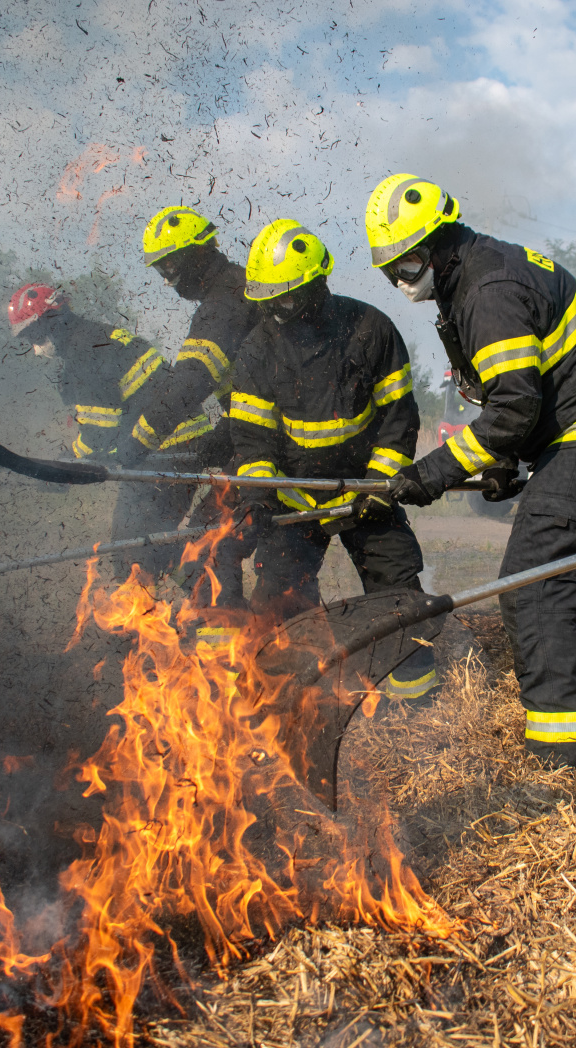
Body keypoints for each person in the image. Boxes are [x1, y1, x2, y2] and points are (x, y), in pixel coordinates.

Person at [367, 175, 576, 774]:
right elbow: (518, 401)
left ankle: (559, 760)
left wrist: (435, 471)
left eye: (406, 265)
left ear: (439, 242)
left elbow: (515, 407)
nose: (402, 282)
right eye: (390, 273)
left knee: (533, 584)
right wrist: (503, 464)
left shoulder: (487, 289)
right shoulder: (479, 276)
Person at [227, 218, 437, 702]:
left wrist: (379, 488)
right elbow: (253, 441)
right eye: (265, 302)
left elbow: (397, 421)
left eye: (282, 300)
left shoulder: (370, 330)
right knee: (280, 602)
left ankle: (416, 701)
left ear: (316, 286)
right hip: (296, 498)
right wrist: (259, 500)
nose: (274, 314)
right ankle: (294, 698)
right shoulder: (258, 350)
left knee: (397, 593)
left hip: (366, 491)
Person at [6, 283, 189, 582]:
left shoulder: (82, 353)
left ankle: (208, 592)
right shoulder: (97, 335)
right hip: (169, 446)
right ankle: (204, 587)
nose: (36, 349)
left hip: (164, 451)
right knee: (143, 545)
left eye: (35, 337)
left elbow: (99, 432)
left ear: (53, 321)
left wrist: (66, 463)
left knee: (131, 547)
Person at [132, 206, 262, 611]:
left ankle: (218, 644)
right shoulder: (239, 286)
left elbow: (189, 382)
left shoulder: (224, 303)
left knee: (209, 543)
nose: (168, 278)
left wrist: (138, 442)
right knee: (284, 566)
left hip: (271, 443)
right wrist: (202, 448)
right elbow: (248, 403)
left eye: (171, 263)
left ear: (199, 252)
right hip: (260, 430)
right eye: (160, 269)